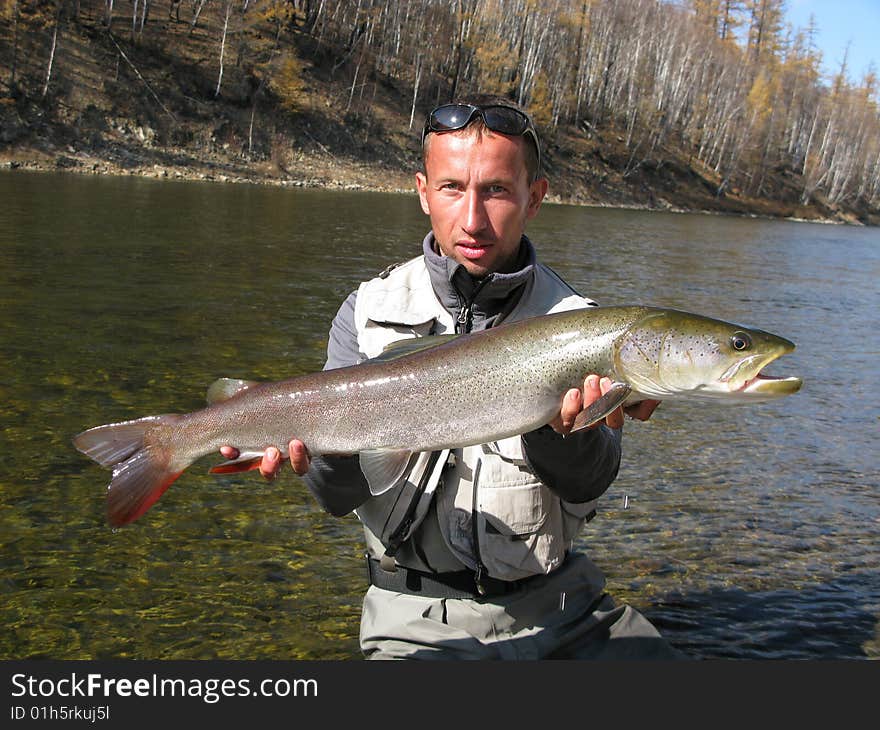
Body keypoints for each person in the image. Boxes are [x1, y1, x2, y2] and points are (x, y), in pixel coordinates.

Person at [222, 95, 681, 660]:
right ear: (421, 191)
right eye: (451, 189)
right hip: (412, 619)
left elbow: (591, 482)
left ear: (534, 197)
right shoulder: (366, 313)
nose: (472, 219)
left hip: (569, 612)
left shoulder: (583, 326)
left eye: (496, 190)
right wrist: (324, 457)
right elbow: (340, 497)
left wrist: (561, 430)